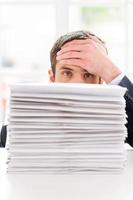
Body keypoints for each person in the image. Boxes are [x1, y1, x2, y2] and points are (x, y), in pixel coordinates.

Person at [1, 30, 133, 147]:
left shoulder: (119, 128)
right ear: (52, 78)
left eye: (88, 75)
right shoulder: (16, 131)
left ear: (101, 81)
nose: (77, 85)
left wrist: (110, 71)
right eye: (67, 73)